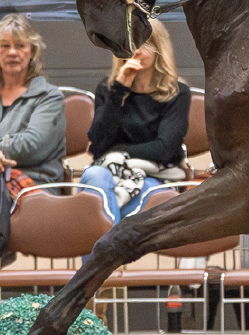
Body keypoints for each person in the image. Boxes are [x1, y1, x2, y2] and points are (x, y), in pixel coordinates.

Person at [81, 18, 190, 222]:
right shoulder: (108, 89)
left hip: (157, 173)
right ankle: (110, 252)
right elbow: (98, 146)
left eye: (144, 43)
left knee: (143, 192)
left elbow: (165, 149)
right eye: (130, 44)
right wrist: (119, 91)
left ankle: (105, 252)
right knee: (95, 177)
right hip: (110, 169)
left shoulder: (177, 92)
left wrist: (117, 150)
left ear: (159, 48)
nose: (137, 51)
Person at [0, 14, 67, 189]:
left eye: (20, 45)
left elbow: (31, 146)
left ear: (32, 52)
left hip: (33, 183)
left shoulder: (50, 97)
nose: (12, 52)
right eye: (5, 46)